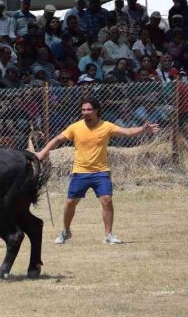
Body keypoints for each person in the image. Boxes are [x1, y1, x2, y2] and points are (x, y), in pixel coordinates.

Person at [35, 98, 160, 245]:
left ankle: (108, 235)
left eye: (89, 110)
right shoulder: (75, 127)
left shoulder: (106, 126)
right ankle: (66, 232)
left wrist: (142, 129)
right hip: (80, 172)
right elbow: (57, 139)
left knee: (107, 200)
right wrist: (42, 153)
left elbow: (126, 132)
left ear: (96, 111)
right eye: (83, 110)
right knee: (70, 203)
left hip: (101, 171)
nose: (86, 113)